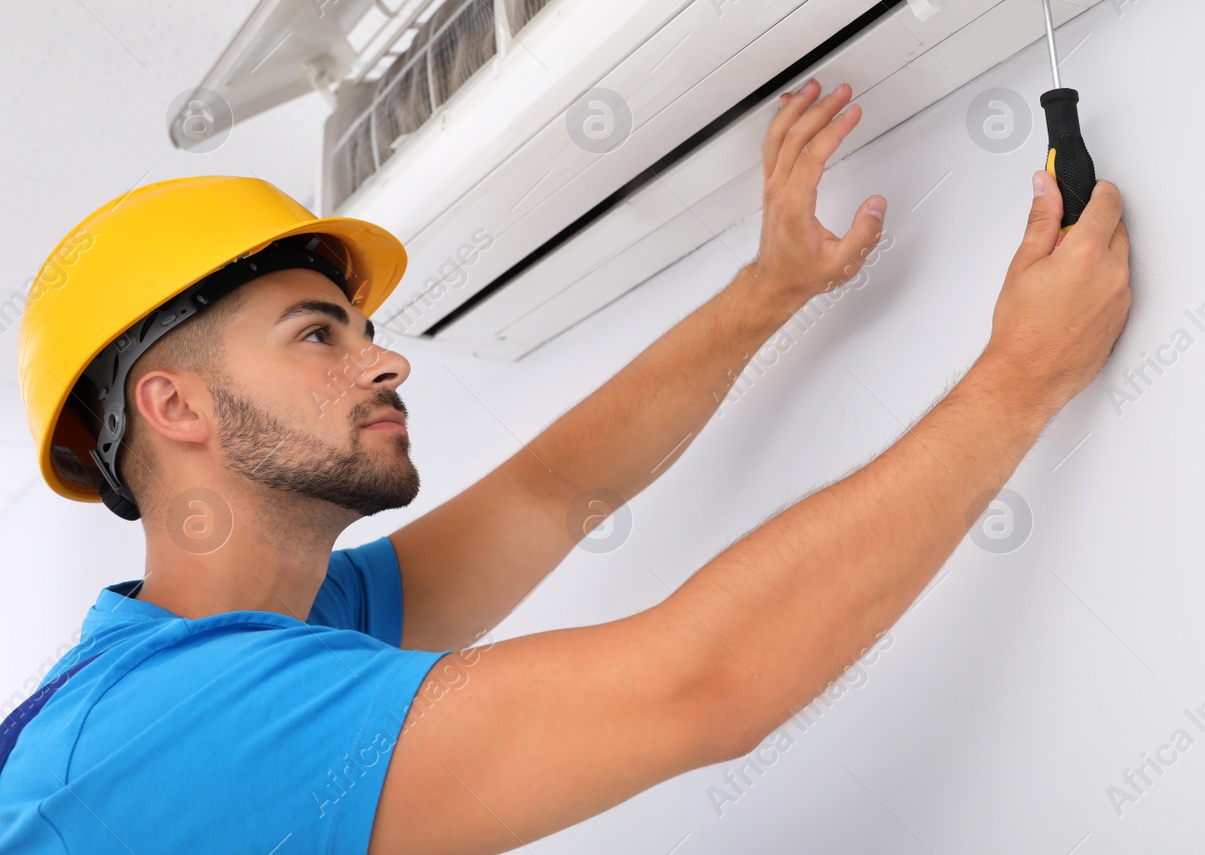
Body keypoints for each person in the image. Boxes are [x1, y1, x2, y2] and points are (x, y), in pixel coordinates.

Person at [0, 79, 1130, 853]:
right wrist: (1019, 377)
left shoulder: (259, 635)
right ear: (175, 403)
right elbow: (698, 687)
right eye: (318, 333)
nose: (385, 358)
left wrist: (768, 289)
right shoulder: (189, 722)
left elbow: (555, 491)